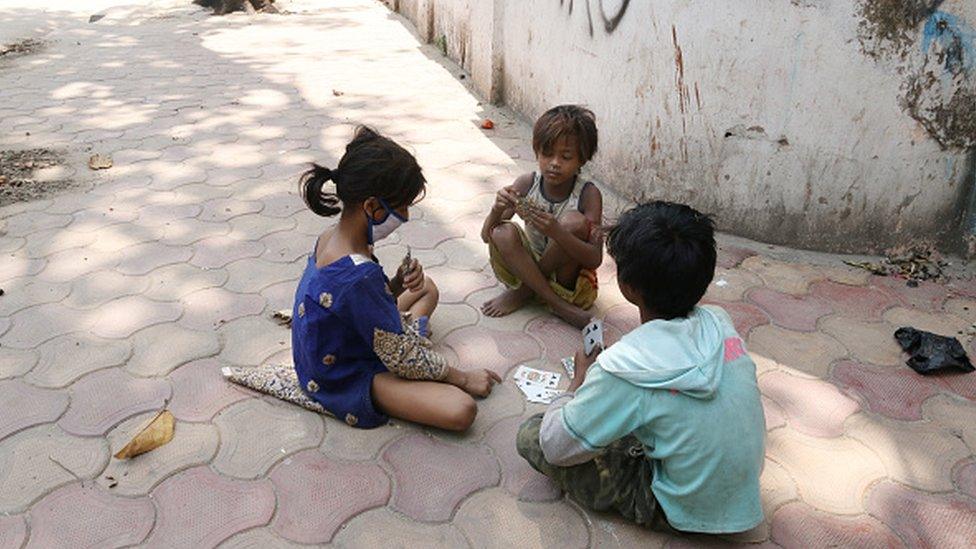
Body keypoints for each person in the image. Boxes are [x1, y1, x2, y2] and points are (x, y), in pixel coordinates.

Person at [516, 201, 766, 534]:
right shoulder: (720, 323)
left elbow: (556, 447)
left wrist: (577, 383)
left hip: (680, 506)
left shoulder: (621, 368)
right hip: (742, 493)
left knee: (533, 433)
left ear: (628, 286)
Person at [293, 126, 500, 432]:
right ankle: (384, 382)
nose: (405, 214)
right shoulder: (357, 276)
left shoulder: (333, 237)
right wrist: (463, 378)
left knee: (425, 288)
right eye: (401, 206)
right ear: (373, 207)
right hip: (343, 372)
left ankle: (407, 344)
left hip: (346, 337)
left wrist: (399, 282)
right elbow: (402, 358)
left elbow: (363, 302)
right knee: (461, 409)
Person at [480, 105, 603, 329]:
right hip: (525, 270)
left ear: (582, 160)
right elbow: (486, 236)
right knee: (502, 230)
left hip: (568, 283)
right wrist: (496, 210)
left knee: (573, 222)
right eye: (547, 154)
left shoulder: (588, 194)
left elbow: (595, 258)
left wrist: (557, 232)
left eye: (566, 156)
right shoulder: (527, 184)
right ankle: (556, 305)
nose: (554, 163)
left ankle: (525, 294)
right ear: (537, 151)